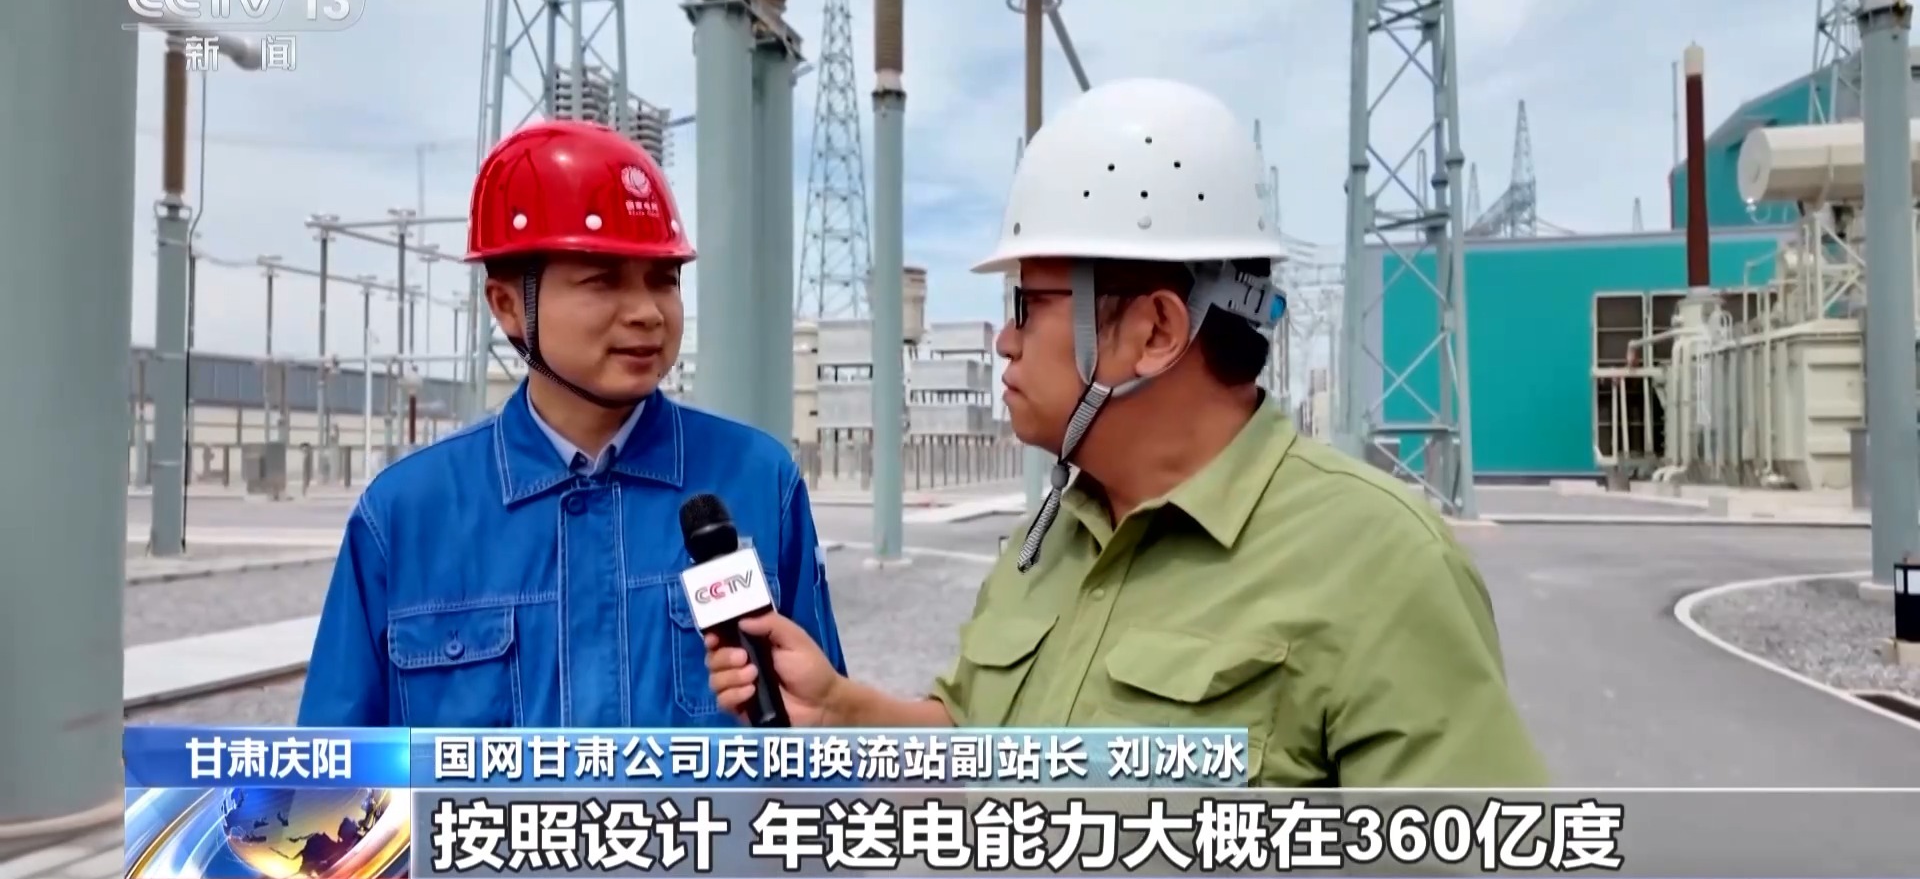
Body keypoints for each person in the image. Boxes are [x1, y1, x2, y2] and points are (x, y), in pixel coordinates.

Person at [705, 78, 1548, 787]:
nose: (1005, 341)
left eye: (1028, 305)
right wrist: (843, 709)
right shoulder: (1052, 540)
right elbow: (975, 738)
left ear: (1156, 330)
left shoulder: (1379, 567)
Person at [299, 119, 846, 728]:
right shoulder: (404, 516)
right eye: (602, 279)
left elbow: (830, 734)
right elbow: (334, 773)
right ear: (508, 305)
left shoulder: (759, 481)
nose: (647, 312)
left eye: (664, 280)